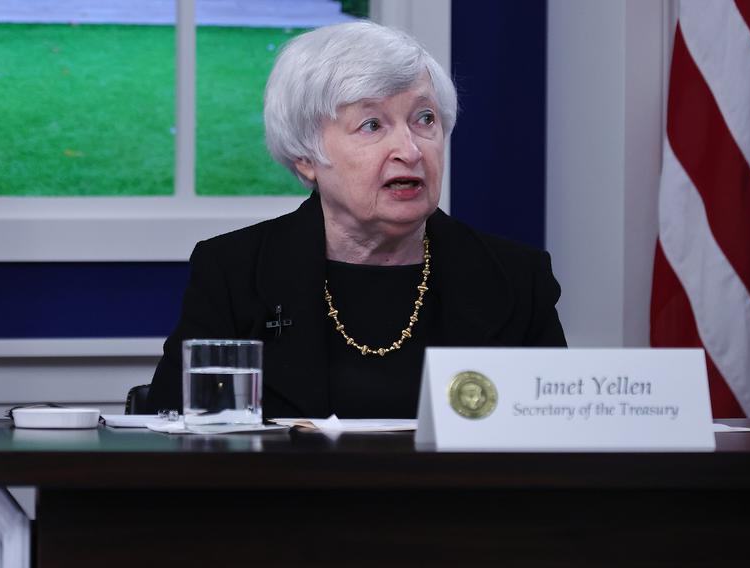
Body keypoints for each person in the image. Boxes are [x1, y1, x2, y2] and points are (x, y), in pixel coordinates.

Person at [146, 21, 566, 419]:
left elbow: (560, 444)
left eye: (425, 119)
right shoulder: (232, 272)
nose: (411, 150)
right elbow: (170, 439)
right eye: (371, 125)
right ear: (306, 158)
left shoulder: (516, 278)